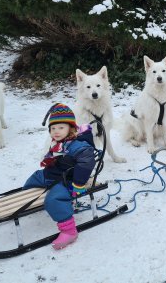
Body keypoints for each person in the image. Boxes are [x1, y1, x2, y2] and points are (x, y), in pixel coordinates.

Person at [23, 103, 96, 250]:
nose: (56, 131)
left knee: (54, 199)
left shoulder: (77, 144)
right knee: (34, 178)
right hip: (53, 173)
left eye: (61, 127)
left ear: (71, 128)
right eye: (53, 128)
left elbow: (87, 162)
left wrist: (78, 184)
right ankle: (28, 200)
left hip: (66, 180)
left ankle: (69, 231)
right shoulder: (61, 141)